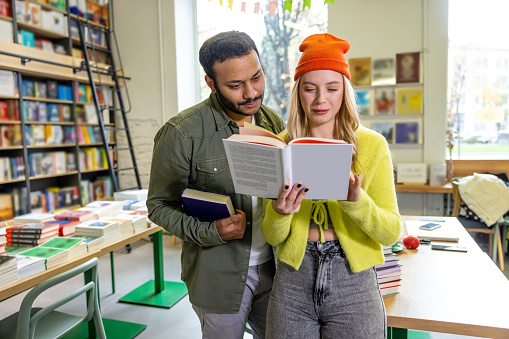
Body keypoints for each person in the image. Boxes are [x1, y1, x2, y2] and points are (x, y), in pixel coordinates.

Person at [261, 33, 402, 338]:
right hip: (293, 282)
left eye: (332, 88)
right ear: (299, 93)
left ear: (345, 92)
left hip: (354, 281)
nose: (320, 99)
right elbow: (271, 236)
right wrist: (280, 211)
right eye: (310, 89)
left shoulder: (372, 145)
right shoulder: (280, 146)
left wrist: (356, 201)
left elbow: (391, 232)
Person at [146, 31, 285, 339]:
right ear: (211, 83)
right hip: (219, 275)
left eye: (257, 77)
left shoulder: (273, 122)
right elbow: (158, 206)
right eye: (235, 85)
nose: (250, 92)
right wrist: (213, 231)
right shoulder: (181, 133)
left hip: (276, 269)